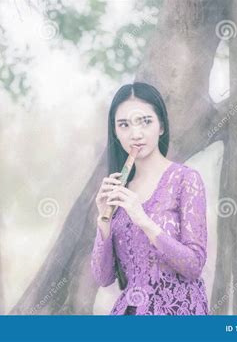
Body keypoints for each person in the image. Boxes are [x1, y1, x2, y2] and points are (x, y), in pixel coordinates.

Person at [90, 82, 209, 315]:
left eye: (145, 122)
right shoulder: (119, 193)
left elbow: (193, 266)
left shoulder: (186, 179)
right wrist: (103, 221)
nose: (135, 134)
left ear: (161, 126)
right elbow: (103, 278)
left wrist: (143, 219)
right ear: (115, 131)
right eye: (124, 125)